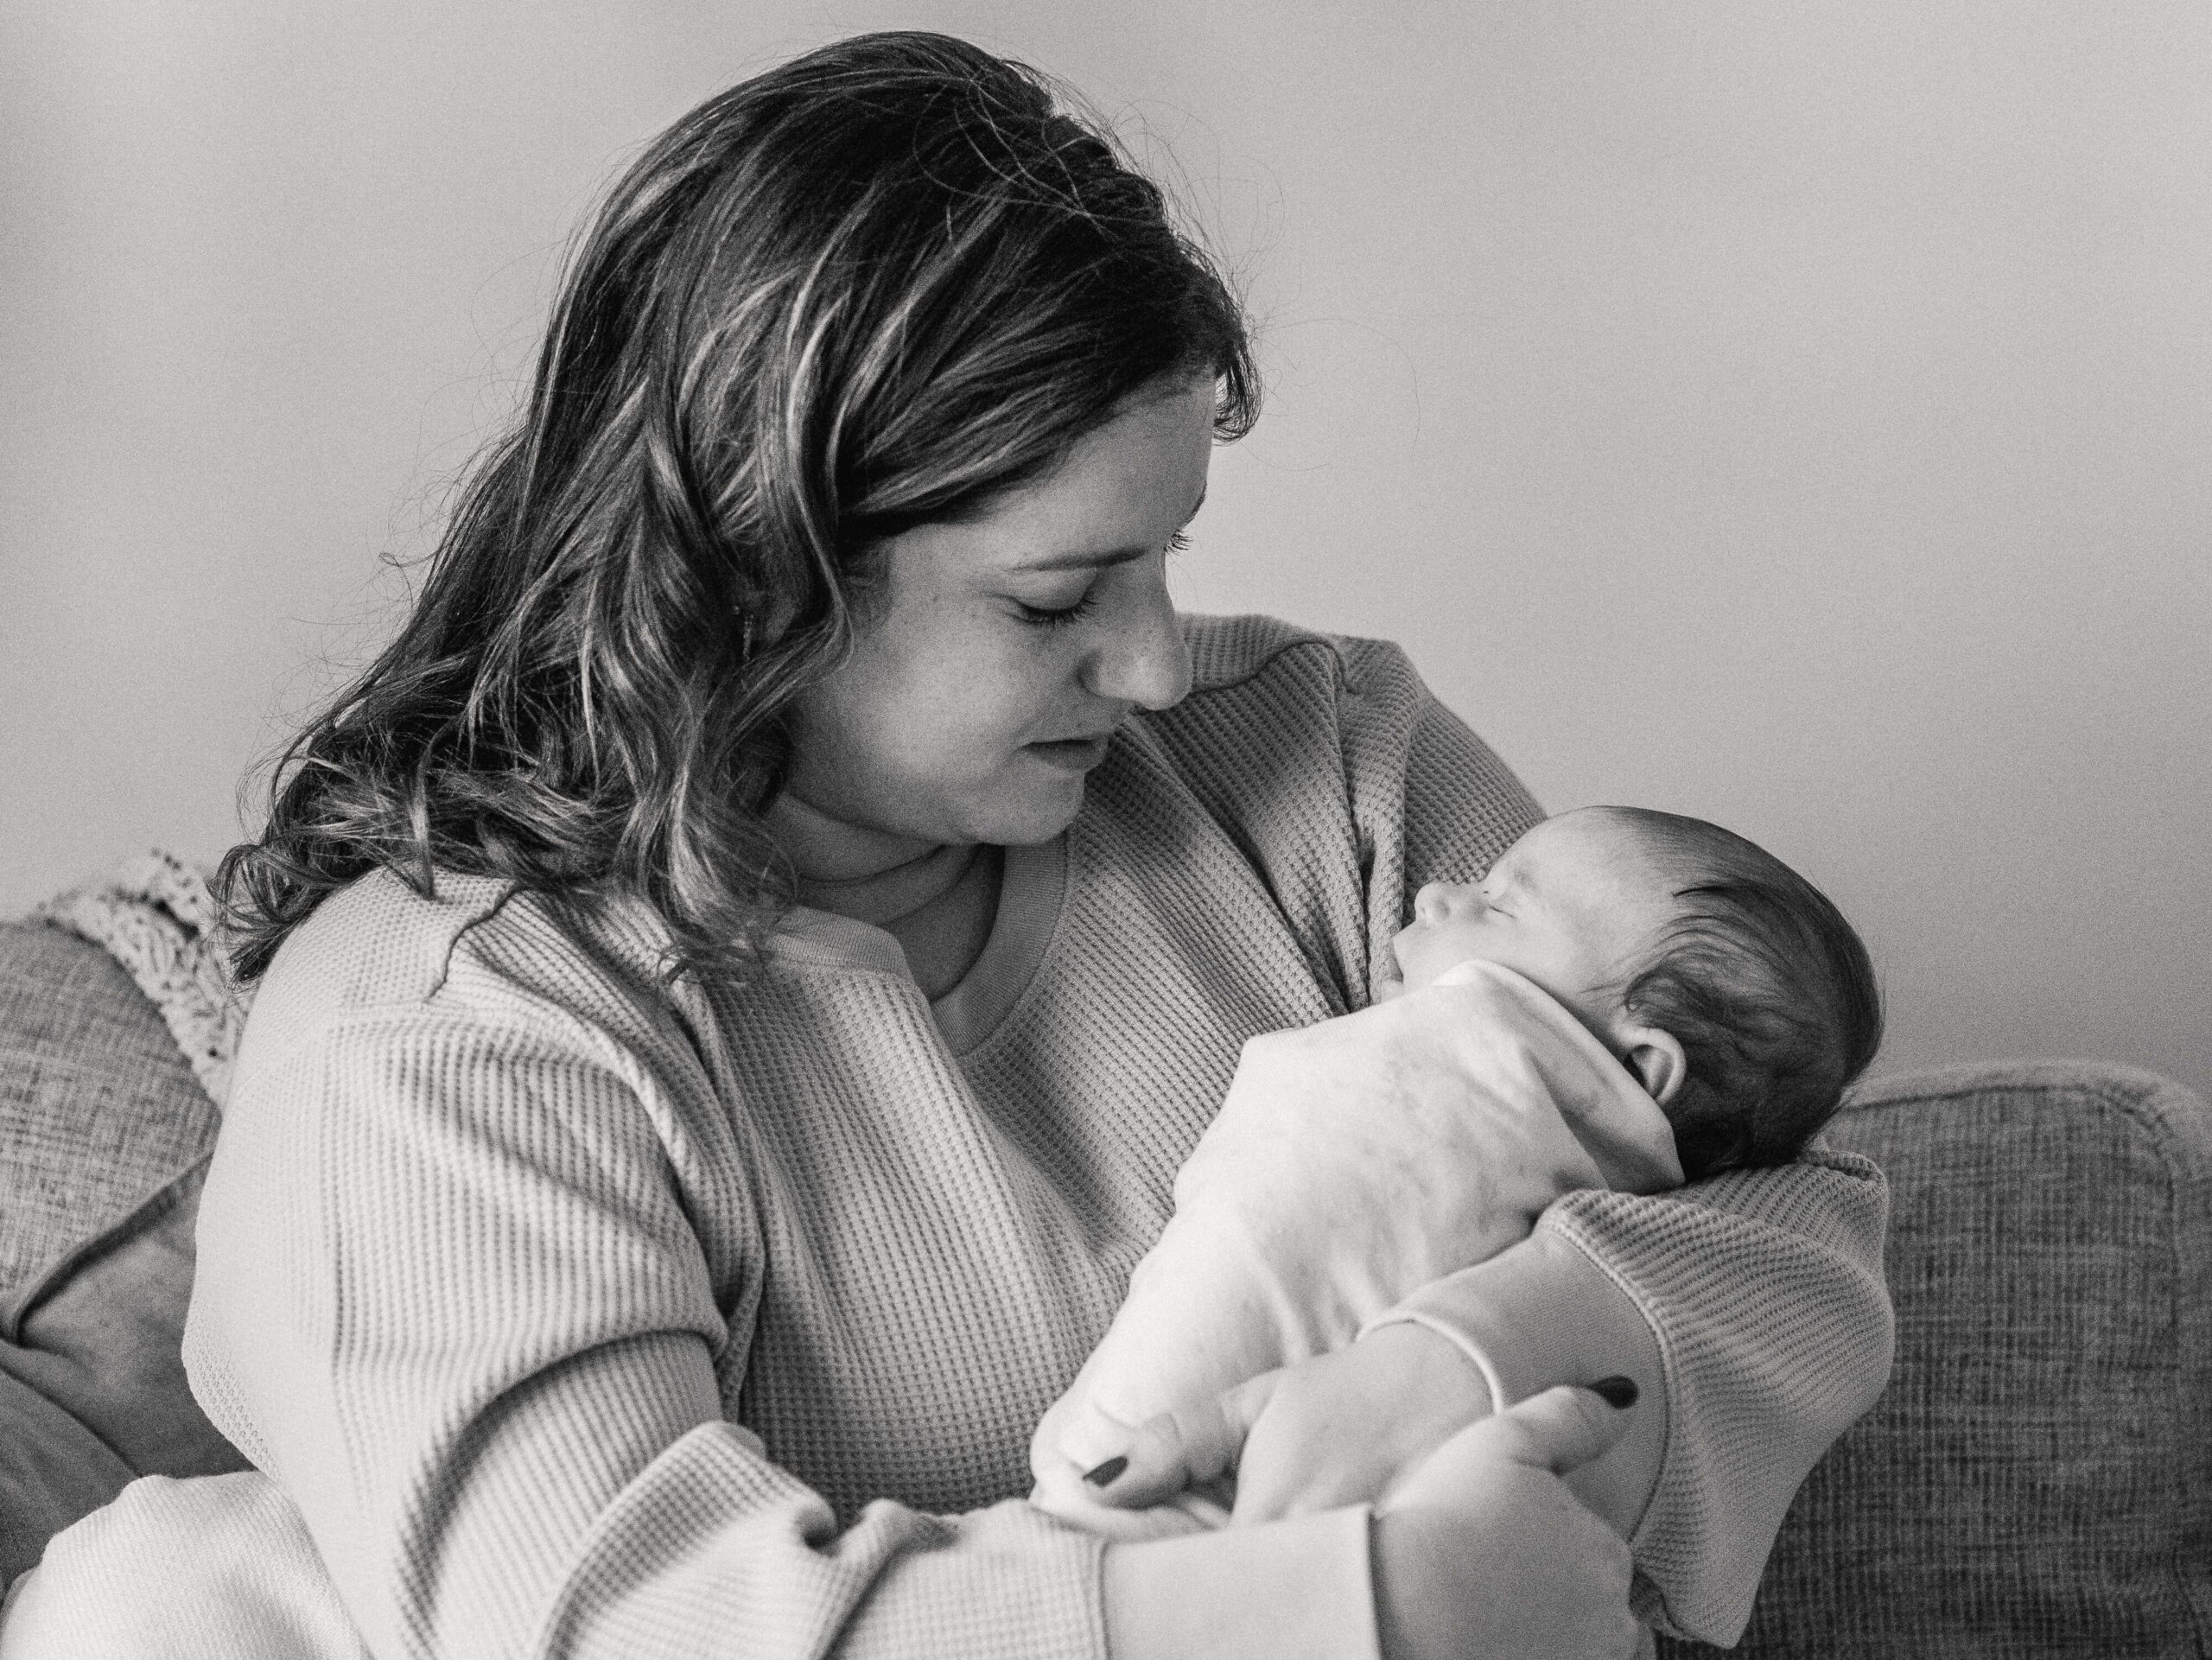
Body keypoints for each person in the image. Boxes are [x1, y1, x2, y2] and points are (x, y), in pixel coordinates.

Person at [0, 31, 1891, 1660]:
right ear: (758, 575)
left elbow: (1792, 1227)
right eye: (1055, 595)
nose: (1153, 663)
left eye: (1169, 555)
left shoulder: (1318, 764)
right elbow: (618, 1627)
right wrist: (1359, 1609)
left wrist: (1468, 1361)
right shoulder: (445, 1029)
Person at [1027, 805, 1882, 1540]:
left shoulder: (1510, 1089)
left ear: (1641, 1065)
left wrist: (1463, 1364)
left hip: (1201, 1505)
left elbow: (1812, 1258)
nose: (1436, 891)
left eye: (1499, 904)